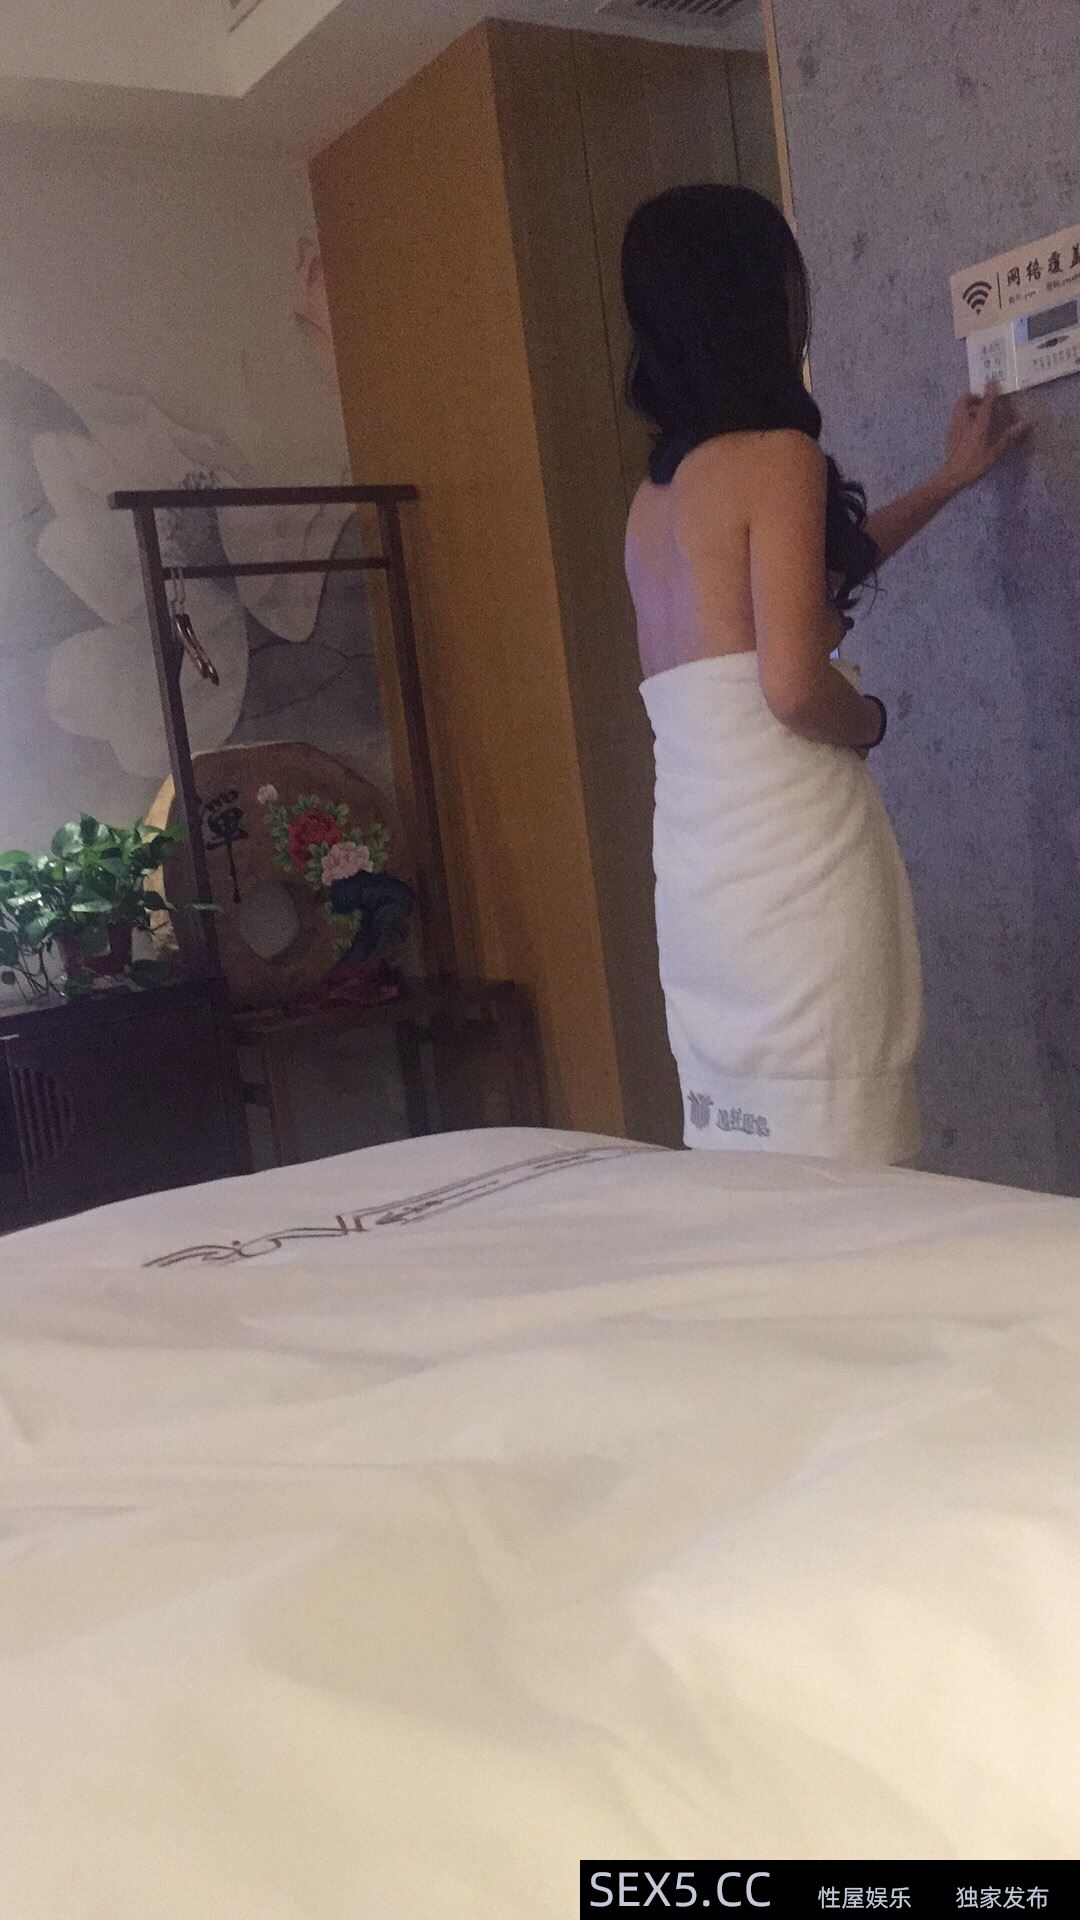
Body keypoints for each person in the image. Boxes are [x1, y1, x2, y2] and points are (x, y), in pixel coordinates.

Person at [622, 184, 1025, 1163]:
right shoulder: (777, 458)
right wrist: (871, 720)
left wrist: (945, 482)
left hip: (704, 890)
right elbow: (795, 686)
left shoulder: (653, 499)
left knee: (753, 1180)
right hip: (793, 868)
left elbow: (801, 592)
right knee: (852, 1177)